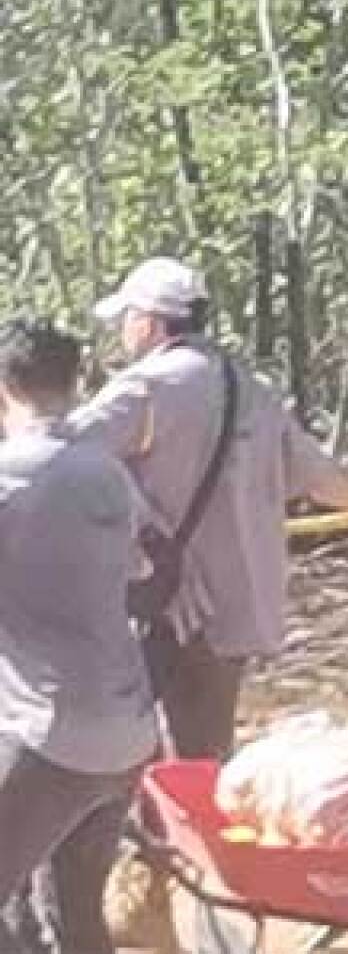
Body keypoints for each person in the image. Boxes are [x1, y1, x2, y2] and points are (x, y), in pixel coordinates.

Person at [69, 257, 348, 761]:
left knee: (117, 736)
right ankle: (190, 835)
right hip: (237, 605)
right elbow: (317, 472)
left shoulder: (149, 386)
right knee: (205, 747)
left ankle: (150, 834)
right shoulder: (251, 390)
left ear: (150, 323)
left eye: (127, 318)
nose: (122, 332)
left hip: (167, 599)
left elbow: (65, 453)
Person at [0, 317, 158, 954]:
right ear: (78, 382)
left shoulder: (12, 474)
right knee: (74, 909)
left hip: (51, 735)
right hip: (128, 730)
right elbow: (138, 567)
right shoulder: (110, 475)